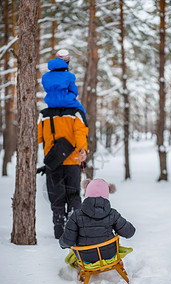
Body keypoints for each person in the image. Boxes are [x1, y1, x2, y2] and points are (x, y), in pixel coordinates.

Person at [38, 50, 88, 240]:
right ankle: (74, 231)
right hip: (73, 159)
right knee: (74, 195)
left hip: (53, 162)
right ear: (70, 87)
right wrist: (83, 150)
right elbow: (80, 132)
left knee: (56, 198)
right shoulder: (75, 112)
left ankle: (59, 231)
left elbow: (36, 137)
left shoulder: (44, 114)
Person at [59, 178, 136, 263]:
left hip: (86, 258)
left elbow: (67, 241)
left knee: (74, 247)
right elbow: (130, 232)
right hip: (109, 255)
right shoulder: (112, 214)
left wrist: (62, 243)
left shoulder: (77, 215)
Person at [41, 49, 86, 115]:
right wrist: (69, 97)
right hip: (66, 102)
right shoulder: (69, 76)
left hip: (51, 103)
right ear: (67, 62)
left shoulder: (45, 76)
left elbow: (46, 89)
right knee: (81, 111)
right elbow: (74, 92)